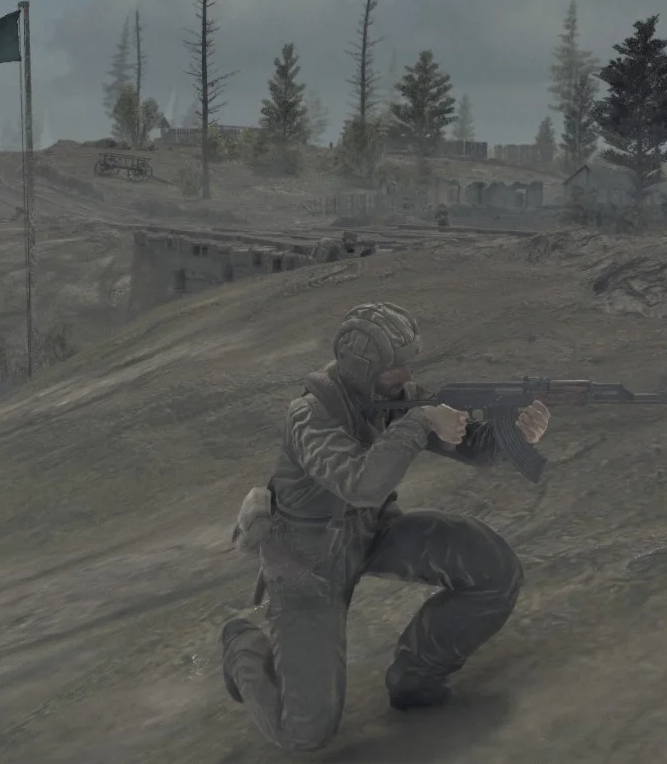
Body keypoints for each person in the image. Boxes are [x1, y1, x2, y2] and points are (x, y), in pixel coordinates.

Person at [221, 302, 551, 753]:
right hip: (307, 564)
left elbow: (470, 447)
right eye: (394, 368)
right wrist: (420, 420)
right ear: (362, 367)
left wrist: (512, 434)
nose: (406, 375)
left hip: (371, 533)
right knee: (305, 730)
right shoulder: (310, 416)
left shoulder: (393, 398)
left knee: (492, 567)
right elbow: (361, 485)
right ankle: (240, 643)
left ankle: (416, 678)